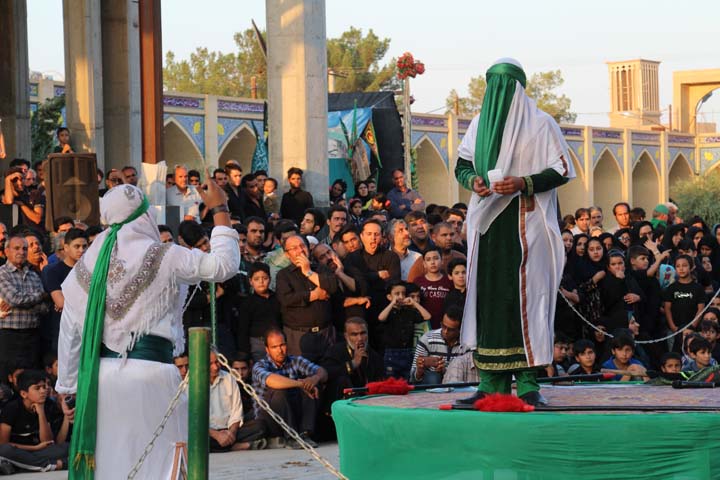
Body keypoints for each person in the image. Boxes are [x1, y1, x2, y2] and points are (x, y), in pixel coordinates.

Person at [56, 180, 240, 479]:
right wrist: (219, 208)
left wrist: (68, 385)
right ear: (145, 216)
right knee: (160, 463)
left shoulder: (86, 264)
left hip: (100, 382)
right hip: (152, 377)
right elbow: (224, 266)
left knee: (112, 465)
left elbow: (70, 331)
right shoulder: (164, 255)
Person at [454, 58, 574, 407]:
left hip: (526, 226)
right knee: (488, 302)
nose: (499, 92)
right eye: (493, 84)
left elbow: (562, 168)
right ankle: (489, 385)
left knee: (526, 302)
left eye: (505, 84)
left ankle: (527, 386)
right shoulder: (478, 124)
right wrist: (472, 181)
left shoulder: (541, 124)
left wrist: (523, 182)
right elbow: (462, 163)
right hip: (487, 227)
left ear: (519, 88)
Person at [252, 329, 327, 449]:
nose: (280, 350)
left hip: (292, 415)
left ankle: (305, 434)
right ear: (267, 349)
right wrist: (301, 384)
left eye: (282, 345)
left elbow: (323, 372)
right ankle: (291, 437)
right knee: (279, 391)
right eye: (274, 347)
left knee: (312, 386)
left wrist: (314, 379)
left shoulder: (295, 361)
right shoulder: (260, 365)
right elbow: (273, 381)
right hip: (270, 420)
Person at [275, 235, 338, 356]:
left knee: (330, 369)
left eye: (302, 246)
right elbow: (286, 299)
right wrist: (313, 295)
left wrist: (308, 272)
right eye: (294, 248)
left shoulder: (322, 269)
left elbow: (332, 286)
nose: (300, 250)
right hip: (298, 334)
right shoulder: (283, 275)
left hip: (325, 331)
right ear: (287, 254)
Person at [0, 370, 71, 474]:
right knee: (5, 450)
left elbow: (47, 441)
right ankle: (54, 465)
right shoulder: (12, 409)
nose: (43, 391)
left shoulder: (47, 405)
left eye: (44, 387)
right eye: (37, 388)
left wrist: (41, 412)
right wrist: (34, 447)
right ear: (24, 394)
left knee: (66, 447)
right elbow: (3, 443)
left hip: (38, 453)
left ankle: (21, 466)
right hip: (19, 451)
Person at [0, 235, 49, 381]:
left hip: (32, 336)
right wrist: (40, 296)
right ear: (7, 251)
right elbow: (15, 299)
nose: (21, 252)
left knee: (30, 379)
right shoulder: (2, 273)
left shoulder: (34, 275)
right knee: (9, 379)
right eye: (16, 248)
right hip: (9, 336)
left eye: (24, 249)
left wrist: (22, 303)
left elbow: (45, 308)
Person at [41, 229, 88, 355]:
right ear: (66, 248)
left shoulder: (91, 272)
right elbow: (60, 302)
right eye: (76, 246)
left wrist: (69, 301)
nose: (81, 250)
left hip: (88, 328)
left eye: (84, 246)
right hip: (63, 330)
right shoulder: (53, 271)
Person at [208, 351, 266, 452]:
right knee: (192, 437)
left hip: (230, 430)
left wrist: (232, 433)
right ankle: (234, 446)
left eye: (217, 362)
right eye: (210, 364)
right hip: (207, 433)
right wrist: (216, 435)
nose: (215, 367)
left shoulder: (229, 378)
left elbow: (237, 411)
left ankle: (226, 445)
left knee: (260, 427)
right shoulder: (190, 382)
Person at [320, 317, 384, 404]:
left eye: (363, 333)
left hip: (368, 402)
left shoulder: (374, 356)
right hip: (340, 402)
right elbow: (326, 374)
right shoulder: (335, 351)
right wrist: (353, 363)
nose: (360, 338)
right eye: (354, 334)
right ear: (346, 336)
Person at [377, 282, 431, 379]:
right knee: (391, 382)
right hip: (391, 354)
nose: (401, 296)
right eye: (397, 294)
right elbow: (381, 318)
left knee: (407, 380)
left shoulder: (409, 311)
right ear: (389, 296)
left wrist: (414, 304)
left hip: (407, 352)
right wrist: (392, 303)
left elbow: (427, 316)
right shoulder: (388, 311)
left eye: (403, 293)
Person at [410, 305, 469, 385]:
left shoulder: (466, 345)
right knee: (434, 377)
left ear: (460, 329)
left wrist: (444, 370)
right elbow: (412, 378)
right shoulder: (427, 339)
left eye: (451, 330)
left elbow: (468, 375)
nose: (445, 331)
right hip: (430, 383)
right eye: (443, 326)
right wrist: (419, 370)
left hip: (457, 382)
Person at [662, 255, 705, 352]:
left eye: (684, 265)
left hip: (693, 329)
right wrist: (673, 327)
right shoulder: (672, 288)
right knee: (674, 354)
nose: (681, 269)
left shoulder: (698, 288)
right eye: (678, 266)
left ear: (691, 267)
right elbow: (667, 308)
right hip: (674, 329)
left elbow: (701, 308)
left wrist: (693, 326)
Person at [413, 248, 453, 329]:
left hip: (444, 326)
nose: (432, 262)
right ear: (424, 264)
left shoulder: (449, 281)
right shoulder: (418, 281)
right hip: (423, 325)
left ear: (442, 261)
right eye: (428, 259)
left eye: (436, 258)